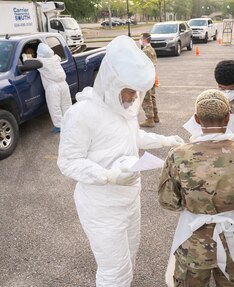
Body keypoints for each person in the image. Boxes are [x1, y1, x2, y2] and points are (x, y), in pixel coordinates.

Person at [57, 36, 184, 287]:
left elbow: (132, 136)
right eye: (128, 90)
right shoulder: (82, 114)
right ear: (111, 82)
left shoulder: (123, 106)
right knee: (114, 272)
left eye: (136, 91)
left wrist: (165, 140)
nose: (133, 96)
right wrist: (108, 176)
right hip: (101, 207)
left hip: (129, 199)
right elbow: (68, 162)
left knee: (130, 259)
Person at [158, 89, 234, 287]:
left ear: (197, 119)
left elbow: (168, 202)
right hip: (232, 241)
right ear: (228, 117)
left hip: (192, 242)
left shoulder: (178, 155)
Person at [36, 43, 72, 133]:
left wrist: (25, 55)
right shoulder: (56, 58)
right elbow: (58, 57)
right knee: (66, 104)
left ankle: (59, 126)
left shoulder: (41, 62)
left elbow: (28, 62)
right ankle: (70, 121)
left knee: (54, 106)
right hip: (64, 84)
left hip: (52, 87)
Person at [138, 32, 159, 127]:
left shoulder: (145, 51)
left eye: (140, 38)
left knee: (146, 98)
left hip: (146, 77)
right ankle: (155, 116)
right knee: (152, 96)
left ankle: (149, 119)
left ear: (145, 40)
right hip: (152, 76)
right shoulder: (152, 49)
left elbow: (143, 65)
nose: (140, 40)